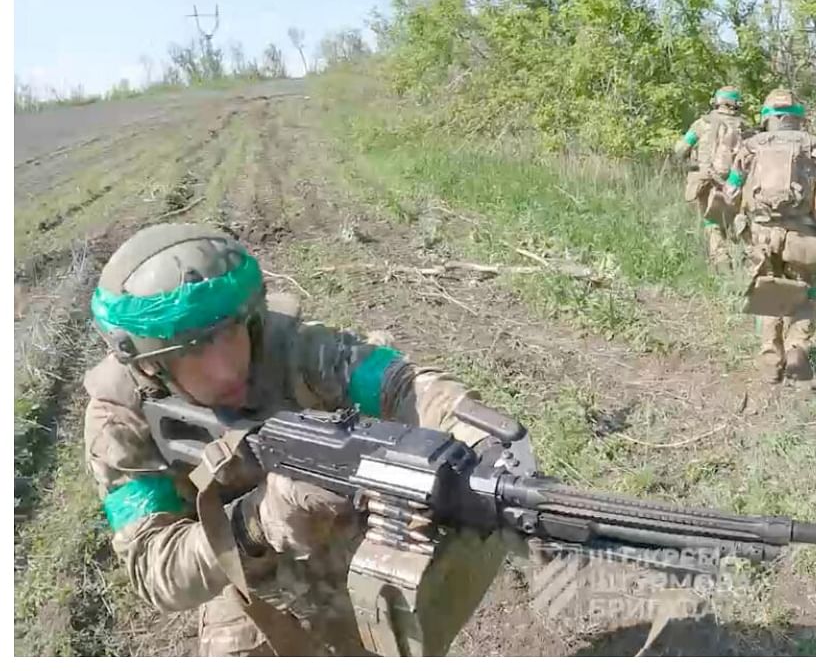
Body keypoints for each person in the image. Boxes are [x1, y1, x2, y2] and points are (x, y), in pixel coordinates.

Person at [82, 223, 523, 656]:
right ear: (148, 364)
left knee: (406, 608)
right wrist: (256, 522)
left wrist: (475, 433)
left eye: (229, 332)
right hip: (242, 575)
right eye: (193, 349)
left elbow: (401, 384)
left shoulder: (296, 347)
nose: (226, 367)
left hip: (342, 534)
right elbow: (155, 569)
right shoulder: (120, 423)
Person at [725, 89, 816, 386]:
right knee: (807, 292)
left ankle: (770, 360)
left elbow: (731, 191)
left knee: (768, 292)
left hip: (762, 235)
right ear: (798, 117)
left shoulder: (750, 146)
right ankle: (798, 349)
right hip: (804, 236)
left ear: (768, 117)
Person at [672, 85, 754, 268]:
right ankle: (753, 254)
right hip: (736, 182)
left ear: (716, 101)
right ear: (736, 104)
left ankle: (721, 258)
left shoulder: (702, 124)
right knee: (738, 216)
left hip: (706, 179)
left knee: (711, 220)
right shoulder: (745, 127)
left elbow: (680, 149)